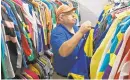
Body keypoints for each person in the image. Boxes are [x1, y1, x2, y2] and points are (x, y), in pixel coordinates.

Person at [50, 4, 92, 78]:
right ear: (61, 17)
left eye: (73, 14)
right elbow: (63, 52)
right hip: (64, 76)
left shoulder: (75, 28)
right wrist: (81, 32)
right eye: (69, 14)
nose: (74, 16)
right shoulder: (57, 32)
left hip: (78, 74)